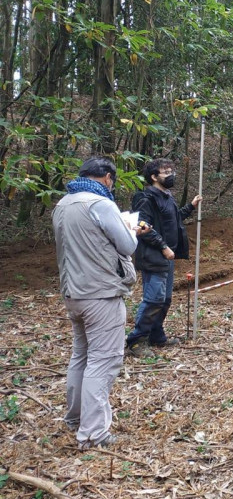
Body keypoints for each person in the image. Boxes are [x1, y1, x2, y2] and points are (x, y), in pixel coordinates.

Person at [53, 156, 150, 449]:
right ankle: (93, 433)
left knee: (81, 355)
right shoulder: (100, 204)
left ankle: (75, 418)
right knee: (104, 359)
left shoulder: (62, 204)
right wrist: (132, 229)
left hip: (73, 292)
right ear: (107, 177)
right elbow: (127, 245)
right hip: (101, 292)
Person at [126, 158, 201, 357]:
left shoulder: (167, 197)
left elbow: (175, 219)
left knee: (164, 299)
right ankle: (136, 341)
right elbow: (141, 225)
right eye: (165, 172)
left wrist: (191, 206)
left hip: (167, 257)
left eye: (171, 170)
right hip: (153, 255)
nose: (171, 175)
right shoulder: (145, 198)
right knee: (154, 299)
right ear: (153, 177)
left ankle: (156, 336)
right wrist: (163, 245)